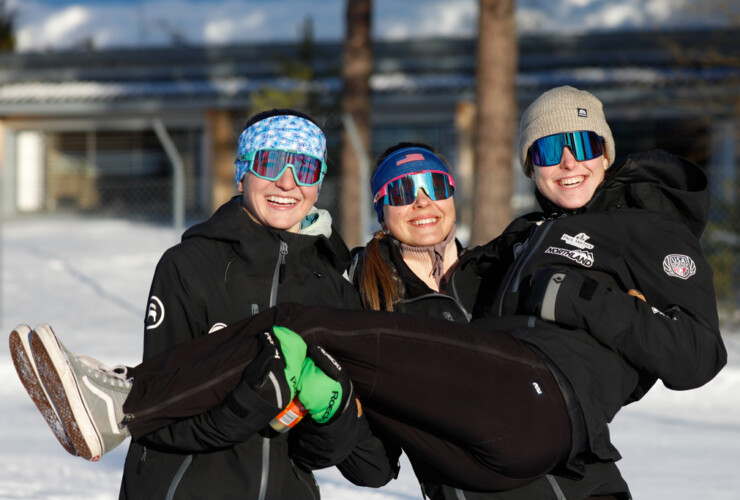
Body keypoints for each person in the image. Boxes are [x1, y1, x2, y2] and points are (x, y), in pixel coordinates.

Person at [13, 87, 727, 497]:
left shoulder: (505, 267)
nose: (421, 203)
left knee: (290, 326)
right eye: (399, 192)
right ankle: (121, 399)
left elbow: (639, 358)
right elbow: (370, 462)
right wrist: (312, 406)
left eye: (435, 186)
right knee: (291, 333)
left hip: (570, 482)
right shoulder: (360, 293)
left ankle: (121, 398)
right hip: (460, 480)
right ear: (378, 212)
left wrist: (585, 306)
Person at [11, 108, 394, 499]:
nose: (287, 182)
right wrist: (249, 404)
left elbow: (320, 455)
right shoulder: (192, 265)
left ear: (318, 182)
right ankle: (118, 402)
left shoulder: (333, 288)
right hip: (183, 488)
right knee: (160, 393)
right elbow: (160, 423)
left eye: (305, 169)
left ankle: (114, 403)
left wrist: (333, 410)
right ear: (242, 171)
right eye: (270, 163)